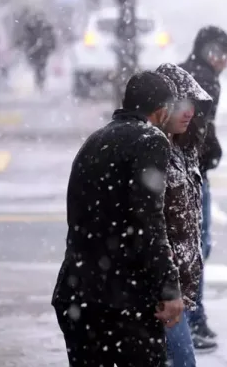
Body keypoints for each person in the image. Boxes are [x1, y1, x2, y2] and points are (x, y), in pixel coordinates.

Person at [52, 71, 184, 367]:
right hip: (122, 301)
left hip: (78, 293)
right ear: (162, 110)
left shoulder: (95, 140)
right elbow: (148, 221)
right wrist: (169, 288)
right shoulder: (151, 140)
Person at [178, 25, 227, 350]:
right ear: (211, 52)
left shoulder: (182, 72)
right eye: (224, 55)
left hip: (178, 171)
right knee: (197, 248)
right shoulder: (205, 80)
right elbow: (202, 131)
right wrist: (213, 154)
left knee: (186, 247)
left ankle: (191, 319)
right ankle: (191, 322)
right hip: (192, 174)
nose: (225, 63)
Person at [156, 63, 215, 365]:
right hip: (162, 293)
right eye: (180, 103)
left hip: (177, 291)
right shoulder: (151, 153)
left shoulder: (185, 150)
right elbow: (150, 228)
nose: (189, 111)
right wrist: (166, 288)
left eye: (192, 103)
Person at [13, 7, 56, 91]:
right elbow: (26, 38)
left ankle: (40, 83)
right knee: (39, 67)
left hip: (41, 51)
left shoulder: (44, 28)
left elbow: (51, 39)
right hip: (37, 51)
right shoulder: (35, 28)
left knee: (40, 67)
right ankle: (40, 82)